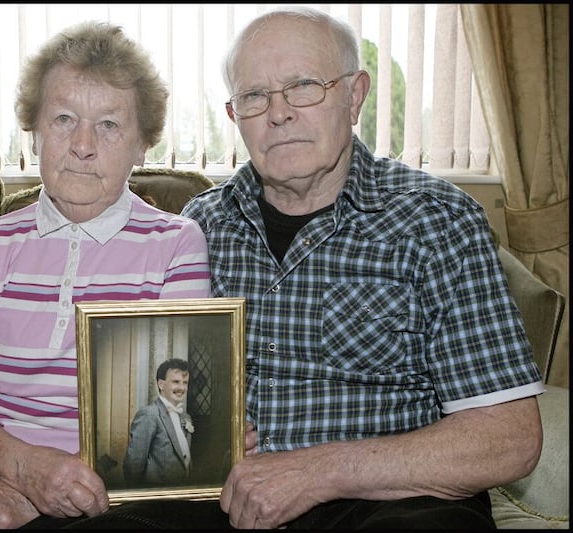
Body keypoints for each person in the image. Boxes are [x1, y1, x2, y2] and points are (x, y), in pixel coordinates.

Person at [179, 6, 545, 530]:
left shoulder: (437, 221)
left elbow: (508, 438)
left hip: (390, 503)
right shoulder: (199, 225)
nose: (278, 113)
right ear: (236, 117)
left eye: (303, 85)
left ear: (354, 97)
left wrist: (317, 472)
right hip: (228, 498)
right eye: (254, 96)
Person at [0, 20, 212, 530]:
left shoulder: (176, 246)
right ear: (34, 131)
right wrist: (24, 471)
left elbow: (170, 408)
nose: (83, 145)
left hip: (122, 494)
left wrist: (41, 497)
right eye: (64, 118)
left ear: (143, 145)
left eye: (110, 125)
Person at [123, 358, 195, 487]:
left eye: (185, 382)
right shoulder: (149, 415)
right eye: (176, 382)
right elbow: (133, 466)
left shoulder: (185, 417)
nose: (182, 387)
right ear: (161, 384)